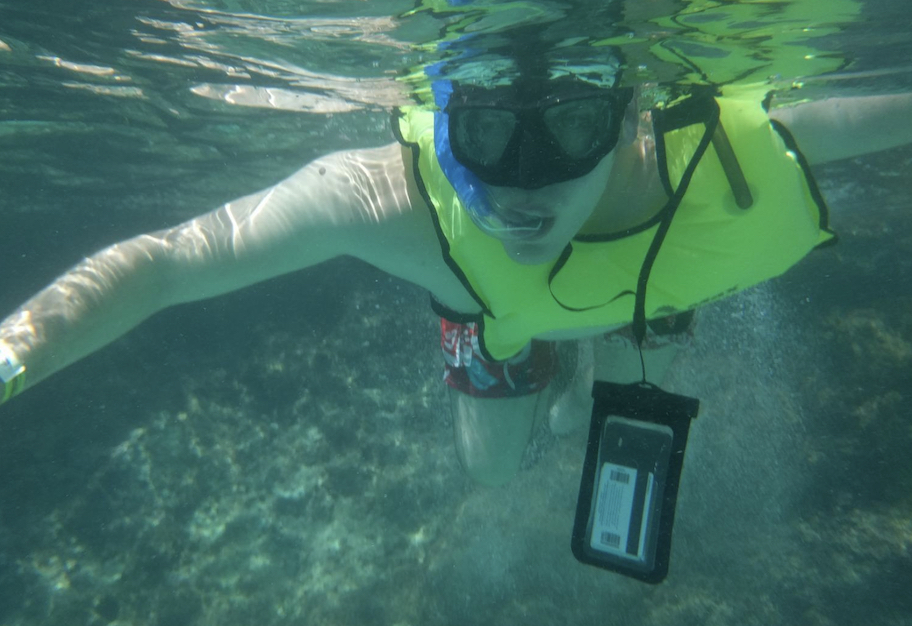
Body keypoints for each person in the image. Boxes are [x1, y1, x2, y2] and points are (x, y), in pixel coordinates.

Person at [1, 51, 910, 487]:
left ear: (634, 113)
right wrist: (11, 355)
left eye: (569, 128)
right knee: (498, 472)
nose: (523, 188)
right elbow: (167, 262)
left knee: (627, 409)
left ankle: (582, 353)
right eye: (482, 133)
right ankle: (546, 368)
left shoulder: (729, 159)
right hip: (495, 311)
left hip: (649, 285)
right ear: (442, 119)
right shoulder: (378, 198)